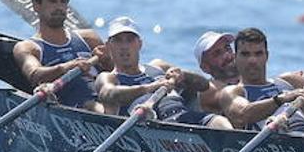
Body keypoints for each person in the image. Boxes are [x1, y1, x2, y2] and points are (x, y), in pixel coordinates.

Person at [94, 16, 229, 129]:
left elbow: (204, 85)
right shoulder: (108, 77)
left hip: (183, 116)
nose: (124, 46)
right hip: (153, 127)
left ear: (139, 44)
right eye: (117, 40)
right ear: (108, 45)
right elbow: (108, 94)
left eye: (130, 39)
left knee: (219, 122)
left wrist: (183, 75)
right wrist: (150, 88)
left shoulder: (159, 66)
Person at [11, 0, 107, 111]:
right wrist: (68, 66)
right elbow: (35, 75)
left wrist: (109, 59)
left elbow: (119, 72)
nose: (59, 7)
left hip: (110, 102)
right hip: (78, 110)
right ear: (36, 5)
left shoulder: (89, 38)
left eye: (63, 1)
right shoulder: (28, 48)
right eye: (53, 0)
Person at [217, 27, 304, 136]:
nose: (252, 60)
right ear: (235, 57)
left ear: (267, 56)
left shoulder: (288, 81)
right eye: (245, 54)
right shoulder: (233, 92)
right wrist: (281, 99)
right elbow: (242, 116)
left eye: (258, 54)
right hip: (280, 142)